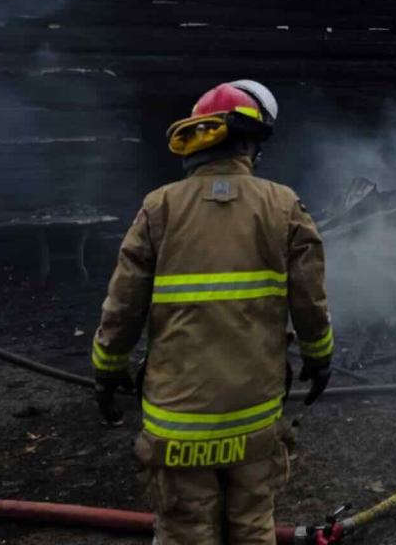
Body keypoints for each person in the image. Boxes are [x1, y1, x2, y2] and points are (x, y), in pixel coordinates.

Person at [90, 80, 332, 545]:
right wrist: (319, 357)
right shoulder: (283, 205)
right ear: (250, 144)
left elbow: (122, 305)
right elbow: (310, 299)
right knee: (253, 526)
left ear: (197, 142)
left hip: (178, 423)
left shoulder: (158, 208)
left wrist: (107, 368)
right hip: (253, 416)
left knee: (185, 531)